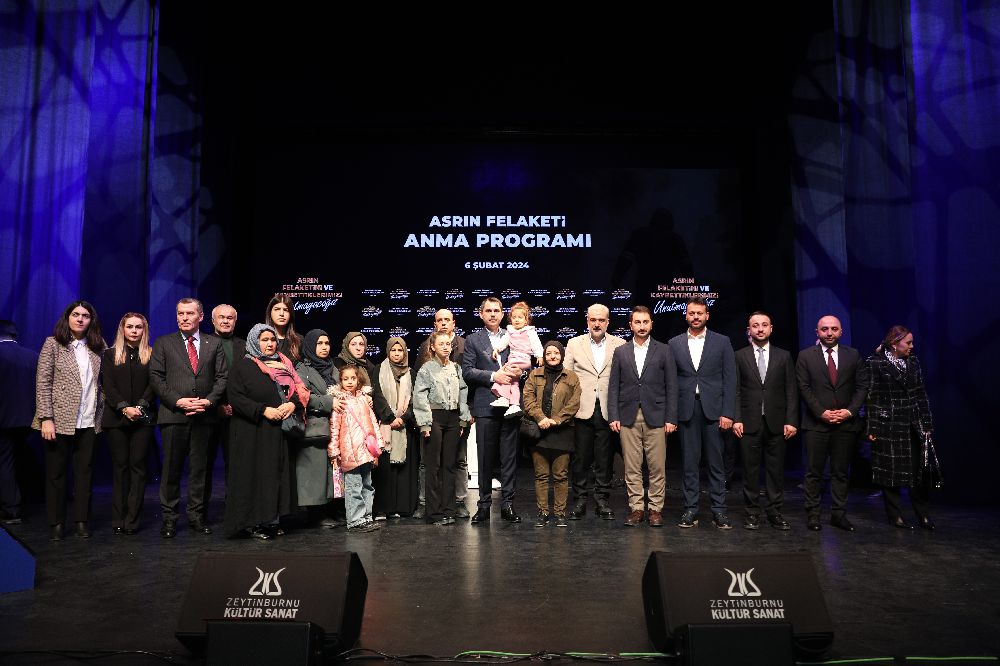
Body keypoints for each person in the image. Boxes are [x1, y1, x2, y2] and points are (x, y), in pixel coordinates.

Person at [149, 297, 228, 538]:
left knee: (199, 470)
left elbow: (222, 377)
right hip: (174, 415)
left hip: (204, 416)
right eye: (180, 313)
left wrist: (209, 401)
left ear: (200, 316)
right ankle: (169, 519)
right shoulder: (164, 343)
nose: (184, 318)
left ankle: (196, 517)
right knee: (171, 470)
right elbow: (156, 378)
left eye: (189, 313)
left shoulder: (214, 344)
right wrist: (178, 401)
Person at [224, 323, 306, 539]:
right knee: (255, 476)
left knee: (274, 476)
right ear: (254, 342)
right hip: (252, 432)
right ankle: (253, 523)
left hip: (277, 432)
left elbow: (296, 391)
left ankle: (271, 520)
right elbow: (236, 397)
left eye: (272, 340)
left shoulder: (283, 364)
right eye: (264, 340)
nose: (270, 344)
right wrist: (263, 410)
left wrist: (292, 404)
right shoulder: (243, 366)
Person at [32, 301, 106, 540]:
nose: (80, 319)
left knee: (85, 473)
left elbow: (103, 383)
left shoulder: (98, 346)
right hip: (59, 419)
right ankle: (56, 523)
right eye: (75, 314)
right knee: (56, 474)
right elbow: (43, 383)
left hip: (90, 419)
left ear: (91, 320)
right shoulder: (53, 344)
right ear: (67, 318)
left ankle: (82, 521)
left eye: (85, 315)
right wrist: (46, 417)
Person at [668, 297, 737, 529]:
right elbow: (671, 382)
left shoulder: (722, 341)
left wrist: (728, 413)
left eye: (700, 313)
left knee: (716, 464)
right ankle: (691, 509)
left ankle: (719, 511)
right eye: (692, 313)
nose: (695, 317)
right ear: (686, 316)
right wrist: (672, 415)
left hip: (715, 411)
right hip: (687, 410)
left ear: (707, 315)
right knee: (689, 464)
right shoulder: (674, 343)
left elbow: (730, 379)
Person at [796, 315, 869, 532]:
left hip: (845, 425)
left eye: (834, 329)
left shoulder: (853, 355)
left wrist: (848, 411)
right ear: (817, 332)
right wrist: (822, 412)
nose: (829, 333)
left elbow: (862, 386)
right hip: (816, 424)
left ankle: (839, 515)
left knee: (841, 472)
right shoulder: (805, 356)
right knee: (814, 472)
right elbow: (803, 387)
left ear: (841, 332)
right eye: (825, 329)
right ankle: (813, 515)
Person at [608, 305, 678, 527]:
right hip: (628, 415)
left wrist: (671, 418)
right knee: (632, 466)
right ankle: (637, 508)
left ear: (651, 324)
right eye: (637, 322)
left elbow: (672, 386)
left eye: (645, 322)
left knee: (657, 466)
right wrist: (613, 415)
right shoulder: (621, 351)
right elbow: (613, 386)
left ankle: (655, 509)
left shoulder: (664, 350)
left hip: (657, 415)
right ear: (631, 325)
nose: (641, 326)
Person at [864, 326, 936, 530]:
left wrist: (927, 423)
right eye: (908, 342)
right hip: (889, 424)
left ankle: (923, 514)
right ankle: (895, 515)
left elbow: (921, 393)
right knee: (891, 471)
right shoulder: (876, 363)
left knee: (918, 471)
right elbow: (871, 397)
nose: (912, 346)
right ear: (895, 344)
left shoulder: (913, 362)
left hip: (913, 423)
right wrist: (872, 427)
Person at [732, 311, 798, 530]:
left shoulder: (784, 356)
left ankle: (774, 512)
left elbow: (791, 390)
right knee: (750, 471)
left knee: (775, 471)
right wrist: (736, 419)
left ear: (771, 328)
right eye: (755, 325)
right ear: (749, 330)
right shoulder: (739, 355)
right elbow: (736, 390)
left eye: (764, 325)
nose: (760, 329)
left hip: (777, 422)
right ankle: (752, 512)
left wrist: (791, 420)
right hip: (748, 422)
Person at [462, 296, 523, 523]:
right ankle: (484, 505)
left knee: (509, 458)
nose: (493, 314)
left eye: (497, 310)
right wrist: (492, 376)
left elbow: (524, 361)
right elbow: (467, 371)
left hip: (510, 406)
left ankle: (508, 505)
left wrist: (521, 372)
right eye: (488, 311)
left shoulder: (513, 336)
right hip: (486, 405)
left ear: (503, 314)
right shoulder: (473, 340)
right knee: (485, 459)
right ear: (481, 314)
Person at [563, 304, 626, 520]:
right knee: (580, 458)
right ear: (587, 321)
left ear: (608, 322)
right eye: (593, 320)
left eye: (601, 320)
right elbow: (567, 377)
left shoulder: (620, 344)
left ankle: (602, 500)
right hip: (581, 409)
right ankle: (580, 500)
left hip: (608, 409)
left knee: (604, 458)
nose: (597, 324)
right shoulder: (574, 343)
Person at [100, 313, 155, 535]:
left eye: (138, 327)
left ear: (144, 330)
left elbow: (154, 384)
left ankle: (132, 520)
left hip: (143, 418)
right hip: (116, 418)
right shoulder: (110, 354)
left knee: (138, 468)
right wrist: (124, 407)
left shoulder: (151, 354)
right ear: (122, 329)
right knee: (120, 467)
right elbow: (108, 385)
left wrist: (140, 407)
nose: (133, 330)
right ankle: (118, 518)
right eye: (129, 326)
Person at [415, 309, 470, 519]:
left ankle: (449, 509)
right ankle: (434, 512)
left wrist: (463, 419)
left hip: (453, 418)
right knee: (433, 466)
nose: (446, 347)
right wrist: (425, 423)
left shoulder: (456, 368)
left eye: (448, 344)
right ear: (433, 347)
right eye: (441, 344)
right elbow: (420, 396)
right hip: (435, 419)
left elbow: (463, 393)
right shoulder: (427, 369)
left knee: (450, 465)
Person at [523, 340, 582, 527]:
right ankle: (542, 513)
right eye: (548, 353)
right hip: (539, 431)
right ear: (544, 356)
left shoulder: (571, 377)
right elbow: (528, 398)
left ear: (562, 355)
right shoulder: (534, 375)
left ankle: (560, 513)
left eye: (556, 353)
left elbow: (574, 403)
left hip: (563, 431)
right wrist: (541, 418)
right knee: (541, 475)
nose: (552, 356)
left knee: (560, 475)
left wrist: (556, 420)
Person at [329, 364, 385, 532]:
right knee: (354, 487)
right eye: (345, 379)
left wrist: (378, 444)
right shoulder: (340, 402)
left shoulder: (364, 399)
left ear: (358, 380)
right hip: (349, 451)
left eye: (353, 378)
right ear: (340, 381)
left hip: (366, 450)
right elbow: (334, 428)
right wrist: (334, 451)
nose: (349, 382)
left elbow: (373, 423)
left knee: (367, 485)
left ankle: (366, 517)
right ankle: (355, 520)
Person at [293, 329, 340, 526]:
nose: (324, 347)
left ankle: (331, 510)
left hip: (336, 427)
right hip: (314, 427)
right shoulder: (302, 368)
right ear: (311, 346)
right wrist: (329, 402)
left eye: (327, 343)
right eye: (319, 343)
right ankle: (315, 514)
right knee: (314, 473)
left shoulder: (333, 368)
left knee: (331, 473)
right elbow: (302, 396)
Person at [372, 337, 421, 519]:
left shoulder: (412, 373)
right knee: (386, 470)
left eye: (400, 350)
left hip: (406, 427)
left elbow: (416, 398)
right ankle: (385, 508)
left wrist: (404, 417)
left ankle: (404, 507)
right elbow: (377, 395)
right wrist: (391, 417)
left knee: (405, 469)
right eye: (393, 350)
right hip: (386, 426)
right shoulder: (378, 370)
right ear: (388, 351)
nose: (397, 354)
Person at [0, 320, 36, 526]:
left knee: (5, 462)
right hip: (29, 420)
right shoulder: (32, 356)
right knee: (18, 459)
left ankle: (11, 509)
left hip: (3, 420)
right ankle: (20, 501)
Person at [207, 304, 244, 496]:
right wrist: (217, 406)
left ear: (235, 321)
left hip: (238, 413)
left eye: (230, 318)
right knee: (205, 464)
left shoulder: (244, 346)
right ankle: (201, 510)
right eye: (221, 317)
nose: (225, 321)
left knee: (237, 465)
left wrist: (236, 405)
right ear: (213, 321)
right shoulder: (203, 343)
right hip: (209, 413)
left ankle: (235, 508)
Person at [488, 300, 543, 417]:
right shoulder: (510, 331)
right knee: (514, 382)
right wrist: (496, 349)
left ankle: (504, 398)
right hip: (514, 359)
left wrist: (539, 355)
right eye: (514, 317)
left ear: (526, 320)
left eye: (520, 317)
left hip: (522, 359)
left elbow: (536, 344)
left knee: (504, 372)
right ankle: (514, 405)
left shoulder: (529, 331)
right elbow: (503, 342)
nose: (517, 320)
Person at [265, 294, 302, 362]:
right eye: (277, 309)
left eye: (286, 310)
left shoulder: (299, 341)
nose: (281, 313)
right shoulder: (260, 339)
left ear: (290, 314)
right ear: (270, 313)